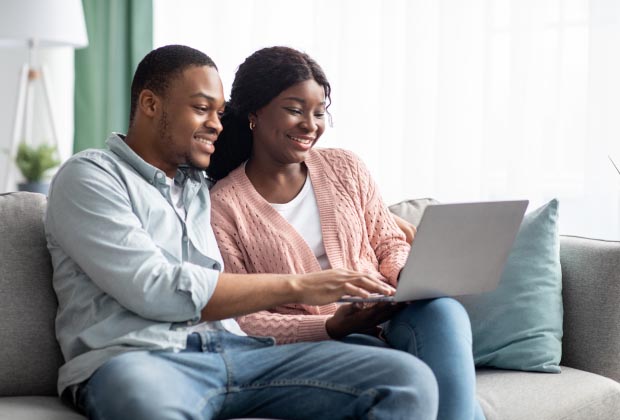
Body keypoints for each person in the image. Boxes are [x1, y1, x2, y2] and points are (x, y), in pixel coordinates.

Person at [45, 44, 439, 420]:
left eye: (219, 112)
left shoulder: (199, 186)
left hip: (240, 353)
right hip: (141, 360)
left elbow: (277, 169)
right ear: (150, 104)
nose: (216, 125)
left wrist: (390, 228)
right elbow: (156, 288)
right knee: (145, 405)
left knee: (406, 379)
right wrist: (300, 285)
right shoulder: (91, 176)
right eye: (202, 109)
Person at [208, 46, 485, 420]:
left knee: (444, 310)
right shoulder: (224, 205)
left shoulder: (345, 166)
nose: (310, 124)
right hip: (324, 338)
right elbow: (244, 318)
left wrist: (403, 278)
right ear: (255, 111)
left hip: (392, 312)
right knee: (409, 378)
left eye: (319, 112)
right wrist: (331, 324)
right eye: (294, 109)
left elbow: (388, 241)